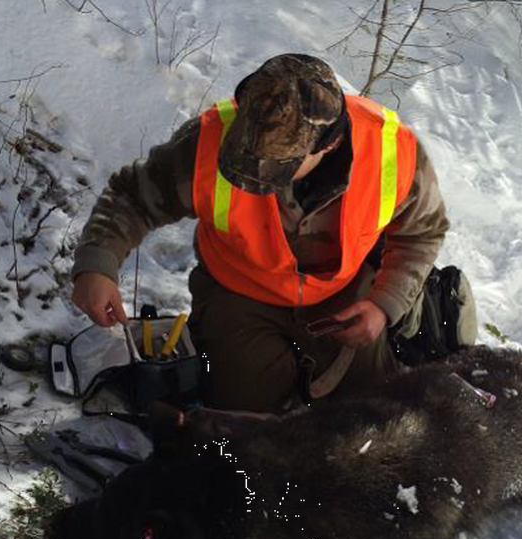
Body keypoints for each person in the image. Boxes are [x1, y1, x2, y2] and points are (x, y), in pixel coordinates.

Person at [71, 54, 454, 414]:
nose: (252, 170)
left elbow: (423, 233)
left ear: (329, 144)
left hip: (342, 296)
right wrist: (97, 265)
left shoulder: (393, 151)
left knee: (371, 414)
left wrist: (383, 305)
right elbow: (131, 197)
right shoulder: (206, 140)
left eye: (277, 166)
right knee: (240, 423)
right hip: (237, 293)